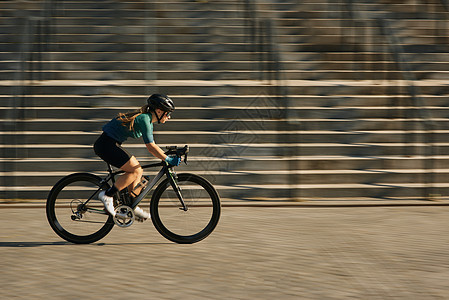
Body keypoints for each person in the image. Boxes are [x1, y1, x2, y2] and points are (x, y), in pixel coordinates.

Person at [93, 94, 181, 220]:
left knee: (138, 172)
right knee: (136, 170)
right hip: (106, 145)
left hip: (110, 144)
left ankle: (130, 207)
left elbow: (153, 146)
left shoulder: (148, 120)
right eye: (167, 114)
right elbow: (151, 147)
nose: (169, 117)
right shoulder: (145, 119)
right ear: (159, 111)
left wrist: (165, 155)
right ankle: (107, 195)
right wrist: (167, 159)